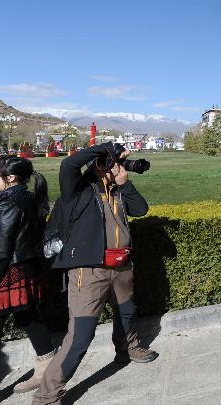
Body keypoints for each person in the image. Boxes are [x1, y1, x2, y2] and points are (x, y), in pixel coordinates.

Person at [32, 142, 157, 405]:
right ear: (100, 165)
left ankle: (128, 349)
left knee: (126, 312)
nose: (117, 168)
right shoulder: (77, 190)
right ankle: (47, 396)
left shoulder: (117, 191)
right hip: (88, 272)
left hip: (121, 265)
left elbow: (141, 209)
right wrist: (105, 150)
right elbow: (68, 164)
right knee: (81, 335)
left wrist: (124, 183)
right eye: (112, 164)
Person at [0, 156, 55, 403]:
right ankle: (47, 364)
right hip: (24, 270)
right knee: (27, 316)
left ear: (10, 178)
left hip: (5, 274)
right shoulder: (27, 197)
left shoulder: (8, 204)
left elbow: (0, 252)